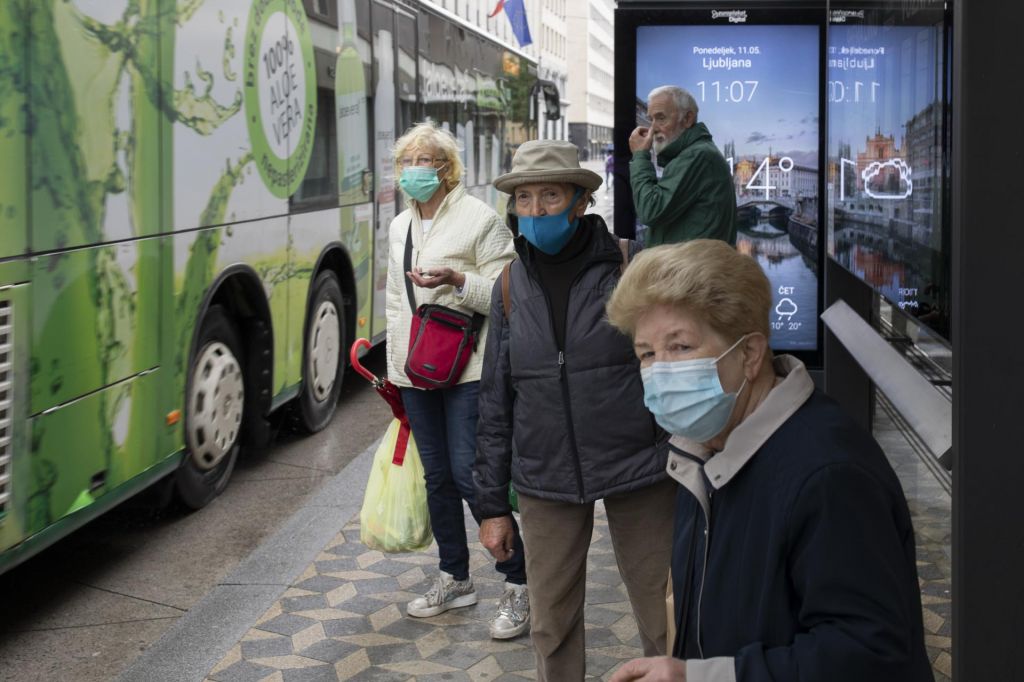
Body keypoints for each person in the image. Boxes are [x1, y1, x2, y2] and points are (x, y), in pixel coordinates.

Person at [604, 240, 935, 682]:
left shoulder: (829, 473)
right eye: (647, 353)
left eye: (680, 347)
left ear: (749, 354)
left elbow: (870, 652)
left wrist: (703, 678)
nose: (660, 370)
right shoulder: (703, 447)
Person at [474, 140, 676, 680]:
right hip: (546, 472)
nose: (536, 211)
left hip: (640, 463)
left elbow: (674, 362)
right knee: (551, 621)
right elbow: (496, 396)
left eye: (550, 196)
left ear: (580, 201)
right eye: (524, 199)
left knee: (664, 613)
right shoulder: (510, 284)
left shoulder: (631, 266)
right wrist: (492, 505)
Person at [385, 121, 529, 640]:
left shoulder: (481, 220)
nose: (412, 171)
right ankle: (455, 577)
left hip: (469, 368)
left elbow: (506, 294)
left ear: (446, 170)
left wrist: (456, 280)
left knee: (473, 477)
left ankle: (518, 582)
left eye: (423, 161)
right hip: (417, 373)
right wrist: (395, 372)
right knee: (438, 480)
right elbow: (397, 304)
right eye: (406, 162)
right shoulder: (400, 225)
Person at [628, 86, 737, 246]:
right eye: (651, 119)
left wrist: (640, 156)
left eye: (661, 118)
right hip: (689, 266)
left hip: (692, 269)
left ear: (687, 119)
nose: (653, 129)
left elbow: (650, 210)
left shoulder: (697, 155)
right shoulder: (695, 153)